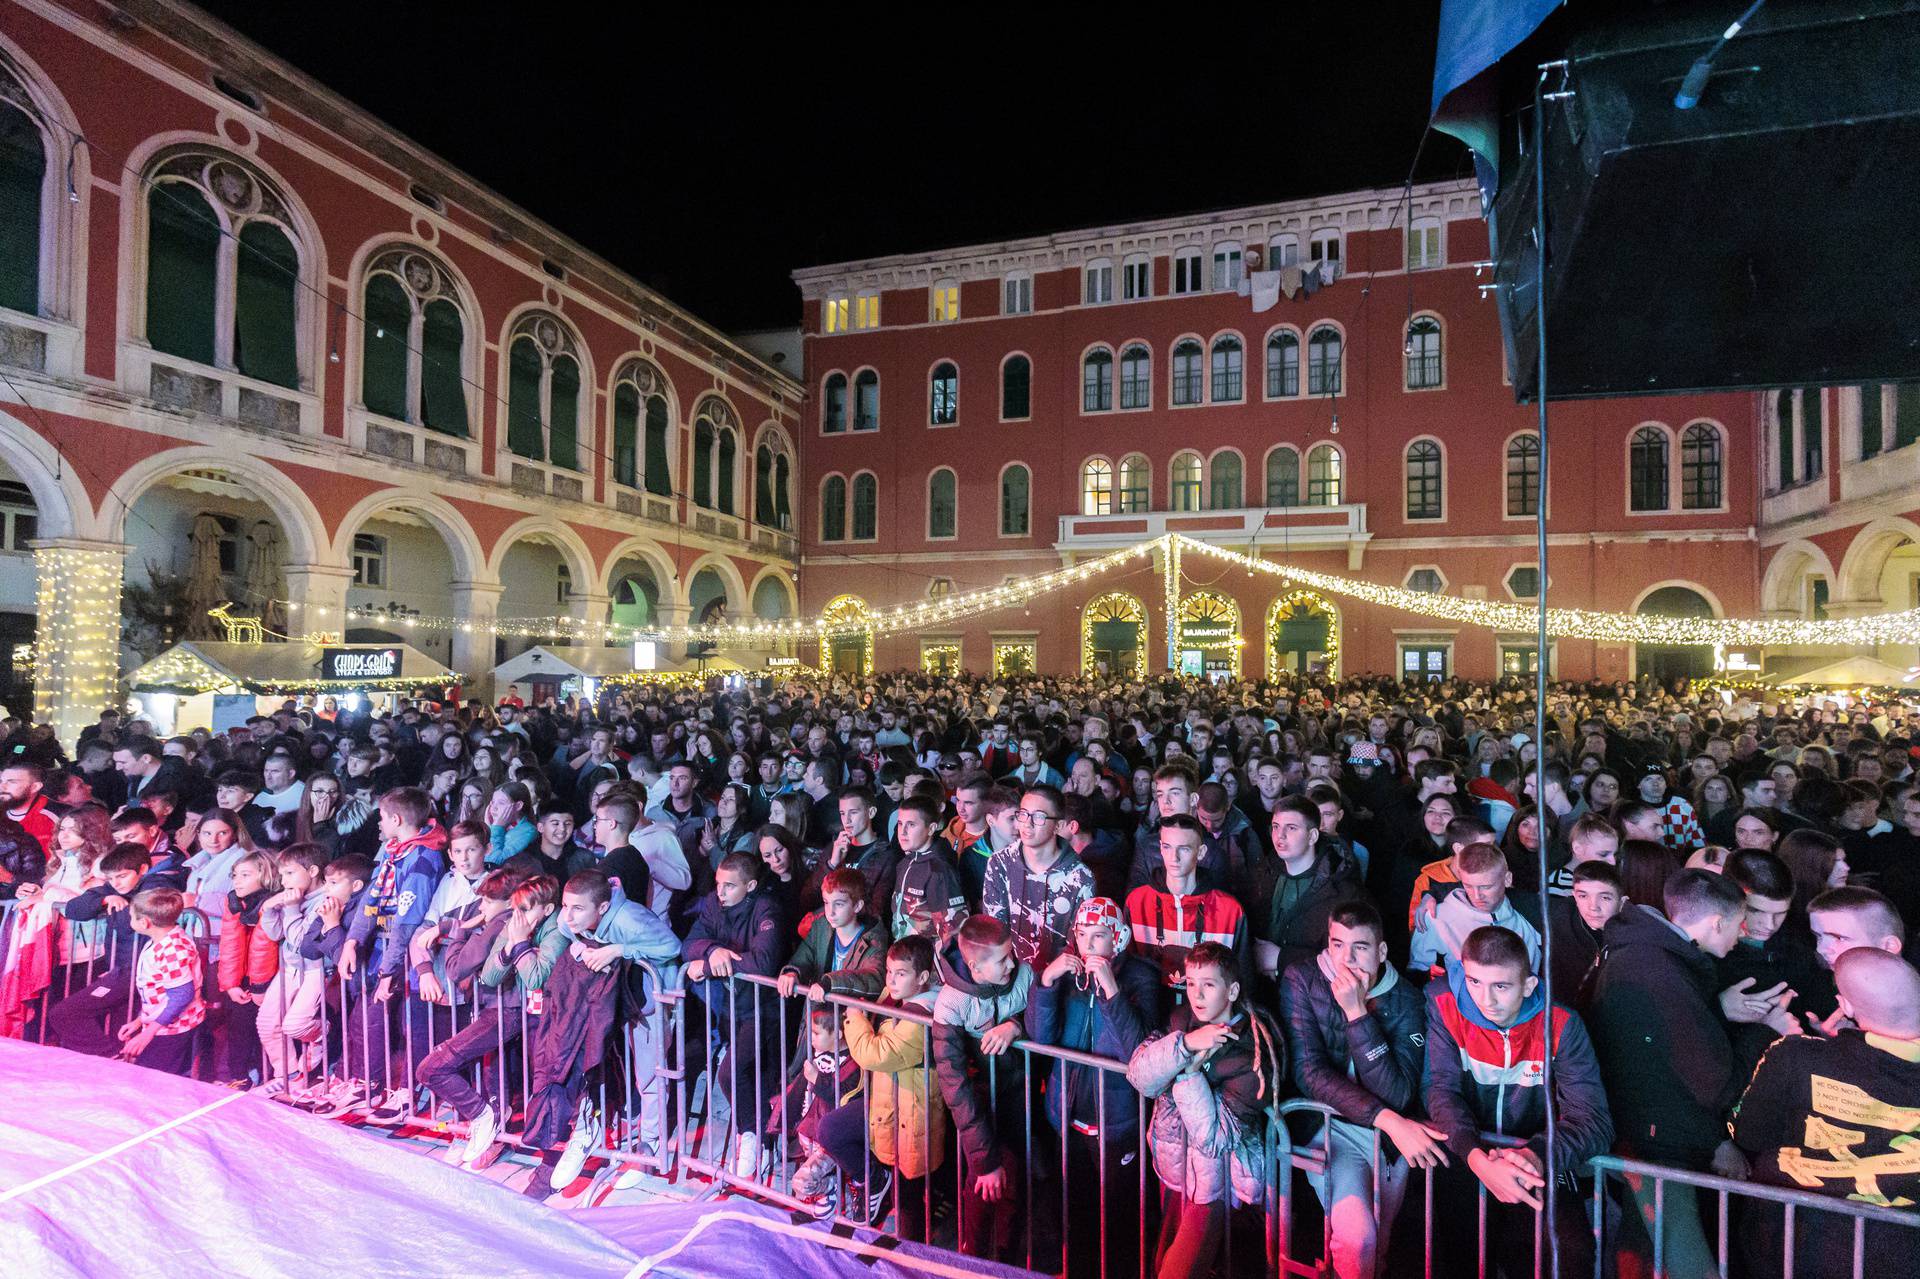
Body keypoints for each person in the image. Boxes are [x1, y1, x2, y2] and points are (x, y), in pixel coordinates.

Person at [1425, 926, 1614, 1278]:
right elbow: (1441, 1091)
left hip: (1537, 1157)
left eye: (1501, 986)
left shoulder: (1561, 1023)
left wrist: (1533, 1156)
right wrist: (1476, 1157)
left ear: (1528, 985)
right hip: (1468, 1151)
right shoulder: (1444, 1004)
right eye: (1474, 982)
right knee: (1458, 1252)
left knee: (1568, 1252)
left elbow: (1593, 1120)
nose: (1485, 1000)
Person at [1730, 947, 1920, 1278]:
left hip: (1794, 1243)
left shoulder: (1794, 1055)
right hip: (1900, 1252)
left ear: (1845, 1006)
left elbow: (1748, 1133)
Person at [1281, 899, 1440, 1279]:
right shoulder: (1302, 979)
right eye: (1337, 945)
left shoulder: (1407, 998)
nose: (1346, 959)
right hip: (1332, 1129)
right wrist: (1391, 1121)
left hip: (1387, 1140)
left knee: (1377, 1249)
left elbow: (1399, 1091)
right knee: (1359, 1237)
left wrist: (1357, 1014)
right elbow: (1310, 1073)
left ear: (1382, 951)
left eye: (1360, 947)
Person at [1126, 941, 1283, 1279]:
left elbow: (1215, 1139)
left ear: (1232, 990)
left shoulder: (1251, 1049)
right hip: (1174, 1170)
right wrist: (1185, 1045)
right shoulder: (1181, 1021)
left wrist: (1191, 1073)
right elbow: (1139, 1076)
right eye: (1192, 983)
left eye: (1208, 985)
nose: (1196, 995)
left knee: (1181, 1272)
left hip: (1218, 1188)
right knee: (1160, 1265)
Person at [1026, 897, 1163, 1279]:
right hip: (1068, 1114)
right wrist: (1046, 983)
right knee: (1073, 1205)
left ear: (1118, 938)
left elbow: (1137, 1052)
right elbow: (1040, 1036)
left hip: (1117, 1120)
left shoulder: (1142, 978)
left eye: (1098, 935)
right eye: (1082, 934)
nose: (1087, 945)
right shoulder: (1068, 973)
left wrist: (1112, 991)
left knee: (1120, 1215)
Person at [931, 913, 1035, 1263]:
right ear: (975, 968)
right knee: (983, 1183)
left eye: (1011, 954)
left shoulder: (1023, 975)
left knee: (1019, 1181)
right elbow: (953, 1080)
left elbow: (1045, 1019)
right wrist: (984, 1160)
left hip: (1021, 1094)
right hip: (978, 1103)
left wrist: (1016, 1026)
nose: (1012, 963)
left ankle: (1007, 1259)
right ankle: (972, 1260)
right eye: (1003, 959)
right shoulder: (950, 1002)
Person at [831, 934, 948, 1238]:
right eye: (889, 971)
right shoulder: (900, 998)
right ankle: (877, 1181)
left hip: (912, 1117)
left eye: (901, 973)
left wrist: (854, 1017)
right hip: (891, 1108)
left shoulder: (922, 1015)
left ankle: (912, 1260)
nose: (892, 980)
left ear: (923, 977)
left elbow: (876, 1054)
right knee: (832, 1130)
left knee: (909, 1200)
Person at [684, 851, 788, 1179]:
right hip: (734, 1007)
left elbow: (764, 962)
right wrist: (711, 951)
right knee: (749, 1076)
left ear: (751, 885)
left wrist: (716, 965)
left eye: (730, 886)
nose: (721, 892)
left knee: (734, 1074)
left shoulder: (767, 909)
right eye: (718, 884)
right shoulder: (716, 905)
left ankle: (753, 1137)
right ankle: (758, 1140)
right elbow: (689, 943)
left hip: (765, 1009)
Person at [1125, 813, 1249, 994]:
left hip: (1205, 1019)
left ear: (1201, 853)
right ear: (1160, 848)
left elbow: (1242, 978)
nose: (1173, 857)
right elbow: (1127, 970)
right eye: (1167, 847)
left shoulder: (1229, 910)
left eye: (1183, 849)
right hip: (1151, 1014)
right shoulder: (1137, 902)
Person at [981, 783, 1096, 969]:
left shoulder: (1080, 878)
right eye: (1023, 814)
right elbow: (995, 929)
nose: (1027, 823)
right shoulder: (999, 863)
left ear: (1058, 825)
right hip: (1010, 973)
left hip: (1058, 980)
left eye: (1039, 817)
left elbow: (1078, 943)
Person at [253, 843, 331, 1097]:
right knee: (267, 1024)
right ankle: (288, 1076)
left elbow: (299, 940)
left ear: (312, 871)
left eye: (289, 873)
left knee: (296, 1025)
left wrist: (290, 908)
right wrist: (270, 910)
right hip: (289, 969)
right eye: (282, 874)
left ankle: (324, 1035)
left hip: (315, 970)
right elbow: (277, 934)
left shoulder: (327, 899)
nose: (283, 880)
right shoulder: (294, 899)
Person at [1259, 796, 1362, 982]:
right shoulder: (1264, 874)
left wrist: (1281, 958)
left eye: (1291, 828)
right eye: (1275, 826)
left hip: (1314, 998)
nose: (1280, 835)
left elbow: (1351, 959)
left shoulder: (1343, 891)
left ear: (1312, 836)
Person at [113, 887, 207, 1074]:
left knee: (152, 1079)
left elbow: (181, 995)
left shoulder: (173, 950)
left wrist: (148, 1033)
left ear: (145, 922)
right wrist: (140, 1021)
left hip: (174, 1028)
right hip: (162, 1024)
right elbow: (160, 992)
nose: (130, 920)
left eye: (132, 917)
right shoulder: (160, 941)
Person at [1411, 842, 1543, 975]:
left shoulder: (1531, 911)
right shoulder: (1435, 918)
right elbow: (1417, 973)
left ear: (1507, 879)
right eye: (1468, 886)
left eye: (1486, 887)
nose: (1476, 896)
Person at [881, 794, 966, 943]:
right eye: (900, 824)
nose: (903, 832)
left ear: (931, 828)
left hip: (926, 959)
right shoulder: (905, 862)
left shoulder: (938, 870)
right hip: (902, 954)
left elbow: (952, 932)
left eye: (911, 825)